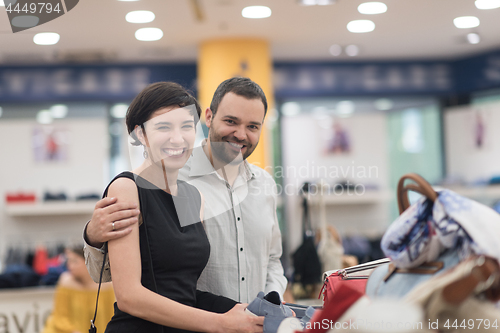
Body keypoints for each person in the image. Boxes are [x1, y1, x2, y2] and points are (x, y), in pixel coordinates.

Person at [84, 77, 287, 303]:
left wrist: (273, 300)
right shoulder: (171, 178)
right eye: (231, 121)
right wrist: (94, 237)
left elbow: (272, 259)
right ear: (208, 117)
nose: (240, 134)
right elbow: (108, 274)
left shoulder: (265, 185)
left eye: (252, 126)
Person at [42, 244, 115, 333]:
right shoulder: (66, 282)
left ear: (87, 262)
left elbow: (111, 316)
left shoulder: (106, 286)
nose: (70, 266)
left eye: (75, 262)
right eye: (69, 261)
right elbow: (59, 317)